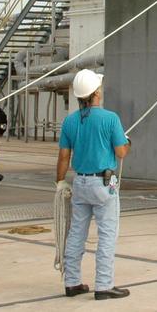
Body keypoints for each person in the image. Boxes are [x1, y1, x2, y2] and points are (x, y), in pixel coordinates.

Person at [57, 69, 130, 301]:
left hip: (80, 182)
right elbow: (120, 152)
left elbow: (63, 157)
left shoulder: (69, 121)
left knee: (76, 232)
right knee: (107, 235)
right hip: (104, 183)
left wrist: (59, 182)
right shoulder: (110, 119)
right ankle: (104, 285)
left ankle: (72, 282)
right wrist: (127, 142)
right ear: (96, 92)